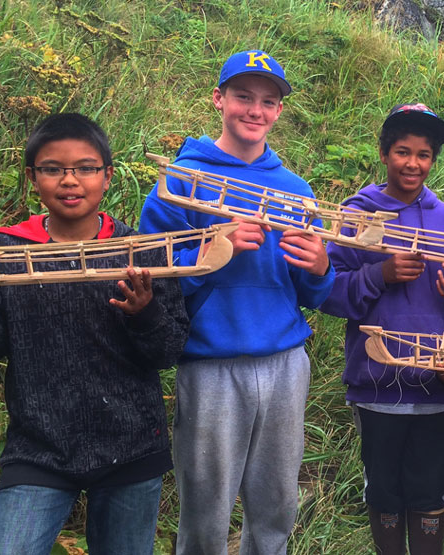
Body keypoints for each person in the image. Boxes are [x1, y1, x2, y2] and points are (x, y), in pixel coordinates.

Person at [0, 112, 189, 554]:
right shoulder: (3, 252)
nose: (70, 180)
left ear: (107, 176)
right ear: (33, 178)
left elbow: (168, 351)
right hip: (39, 450)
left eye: (86, 168)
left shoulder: (141, 252)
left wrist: (144, 314)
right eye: (53, 168)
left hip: (131, 448)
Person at [137, 50, 334, 554]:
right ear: (218, 99)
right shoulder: (180, 181)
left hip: (285, 362)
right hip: (210, 364)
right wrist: (209, 253)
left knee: (276, 505)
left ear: (279, 112)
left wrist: (319, 268)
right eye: (243, 97)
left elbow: (312, 293)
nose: (255, 110)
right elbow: (151, 276)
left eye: (268, 101)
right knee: (205, 510)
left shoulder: (296, 190)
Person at [319, 103, 444, 554]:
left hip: (437, 388)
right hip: (377, 386)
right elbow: (328, 293)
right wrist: (380, 275)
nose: (413, 163)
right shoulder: (356, 214)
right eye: (403, 152)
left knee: (432, 491)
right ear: (384, 153)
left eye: (424, 154)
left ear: (433, 160)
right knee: (383, 490)